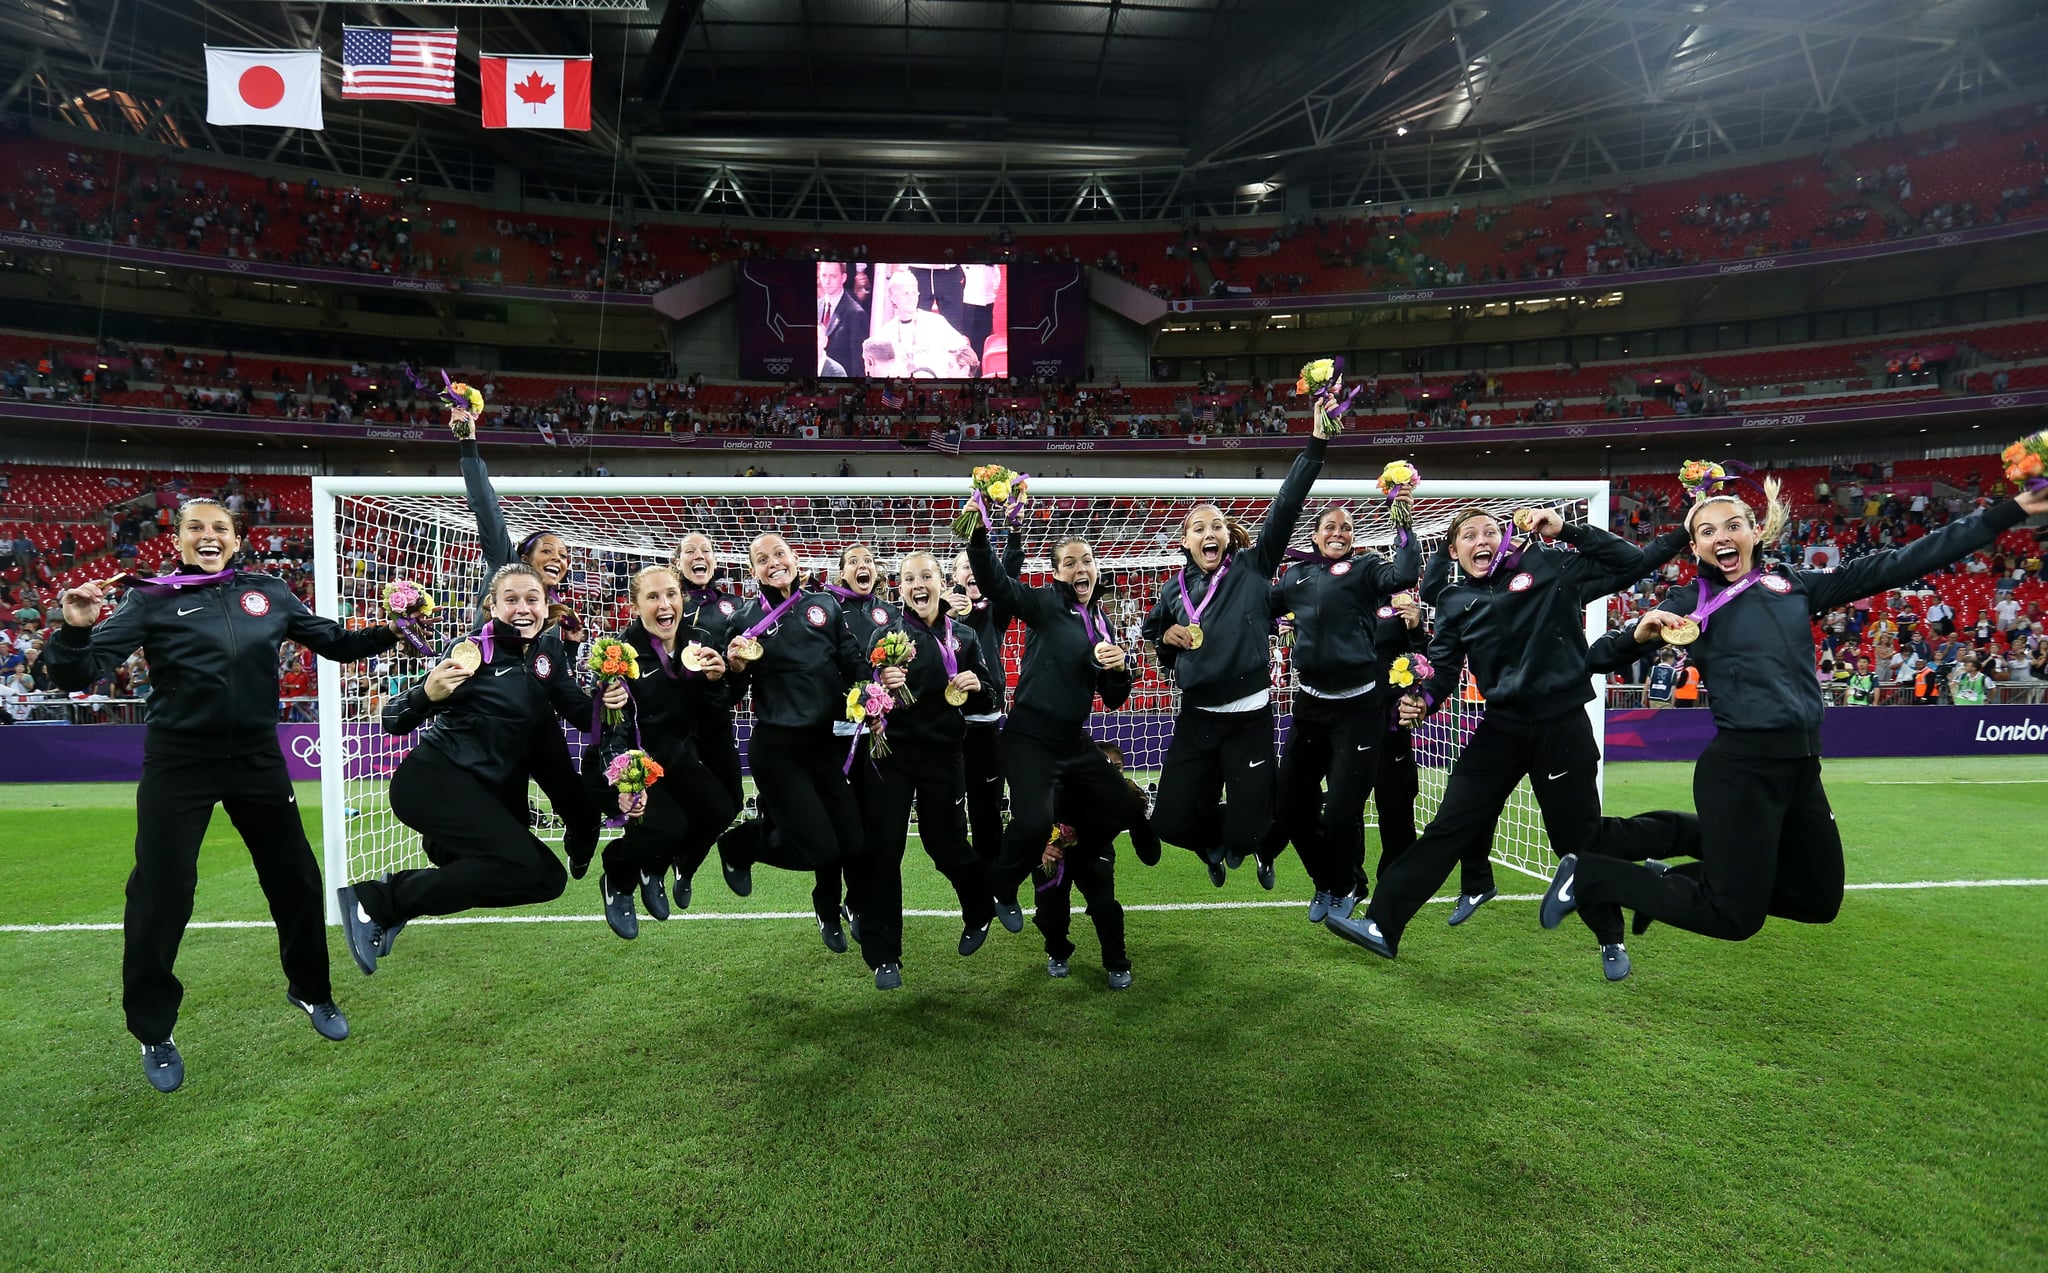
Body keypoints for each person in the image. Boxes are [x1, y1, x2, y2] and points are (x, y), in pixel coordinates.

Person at [1546, 480, 2048, 948]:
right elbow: (1599, 655)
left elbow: (1903, 561)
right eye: (1706, 531)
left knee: (1817, 900)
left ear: (1754, 531)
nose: (1721, 537)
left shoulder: (1795, 585)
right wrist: (1641, 633)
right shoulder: (1688, 603)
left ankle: (1668, 879)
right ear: (1695, 548)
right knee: (1735, 918)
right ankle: (1593, 874)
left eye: (1731, 525)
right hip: (1742, 770)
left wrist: (2013, 510)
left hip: (1803, 771)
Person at [46, 497, 402, 1092]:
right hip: (179, 762)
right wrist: (75, 630)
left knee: (296, 878)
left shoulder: (269, 592)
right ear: (179, 539)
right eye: (195, 528)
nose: (208, 536)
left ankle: (312, 992)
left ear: (236, 539)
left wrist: (395, 628)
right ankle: (154, 1031)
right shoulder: (149, 598)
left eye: (219, 528)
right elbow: (76, 676)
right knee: (162, 892)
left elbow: (335, 643)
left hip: (257, 759)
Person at [1323, 504, 1669, 980]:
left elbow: (1631, 562)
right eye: (1469, 535)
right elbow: (1443, 669)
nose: (1481, 539)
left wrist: (1566, 528)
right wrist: (1422, 699)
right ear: (1453, 550)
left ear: (1504, 540)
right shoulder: (1453, 601)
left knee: (1575, 841)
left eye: (1490, 531)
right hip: (1501, 727)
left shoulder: (1547, 566)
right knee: (1448, 826)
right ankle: (1382, 924)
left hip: (1561, 724)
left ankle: (1610, 936)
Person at [338, 564, 619, 975]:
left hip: (484, 798)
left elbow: (580, 714)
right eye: (511, 599)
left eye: (531, 599)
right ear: (492, 605)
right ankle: (378, 901)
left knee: (545, 880)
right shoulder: (468, 651)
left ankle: (410, 892)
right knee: (527, 869)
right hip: (435, 782)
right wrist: (425, 693)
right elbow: (393, 720)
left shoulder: (549, 652)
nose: (522, 608)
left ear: (546, 606)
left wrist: (607, 699)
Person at [1141, 419, 1330, 887]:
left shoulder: (1252, 568)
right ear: (1185, 541)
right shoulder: (1171, 591)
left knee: (1249, 832)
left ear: (1227, 538)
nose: (1209, 532)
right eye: (1198, 527)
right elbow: (1154, 636)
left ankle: (1256, 845)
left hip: (1249, 720)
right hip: (1197, 720)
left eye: (1218, 525)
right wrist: (1166, 639)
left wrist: (1316, 443)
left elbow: (1286, 507)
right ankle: (1210, 843)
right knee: (1166, 823)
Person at [966, 520, 1138, 935]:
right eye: (1070, 563)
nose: (1082, 568)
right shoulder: (1044, 603)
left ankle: (1077, 845)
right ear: (1058, 573)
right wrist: (979, 534)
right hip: (1029, 735)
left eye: (1088, 560)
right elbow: (997, 584)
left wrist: (1120, 670)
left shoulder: (1101, 621)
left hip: (1072, 740)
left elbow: (1113, 698)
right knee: (1032, 823)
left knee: (1129, 806)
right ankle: (1001, 890)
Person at [454, 411, 599, 878]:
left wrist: (575, 651)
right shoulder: (502, 567)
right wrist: (469, 443)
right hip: (490, 720)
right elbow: (487, 509)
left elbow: (552, 675)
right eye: (548, 551)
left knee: (581, 811)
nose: (558, 558)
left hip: (537, 723)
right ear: (522, 557)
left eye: (564, 556)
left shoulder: (553, 615)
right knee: (507, 821)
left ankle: (579, 846)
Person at [1267, 499, 1419, 919]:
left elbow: (1404, 573)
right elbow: (1258, 610)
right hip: (1310, 706)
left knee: (1339, 813)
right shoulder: (1294, 577)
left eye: (1347, 528)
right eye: (1330, 527)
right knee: (1290, 806)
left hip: (1359, 709)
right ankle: (1327, 881)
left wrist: (1402, 520)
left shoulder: (1367, 569)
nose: (1339, 533)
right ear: (1314, 535)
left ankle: (1349, 883)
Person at [714, 534, 869, 945]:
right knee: (821, 848)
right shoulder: (743, 621)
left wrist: (873, 690)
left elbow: (852, 661)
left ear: (796, 559)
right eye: (762, 559)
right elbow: (728, 696)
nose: (773, 563)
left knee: (852, 842)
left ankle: (828, 904)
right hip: (778, 751)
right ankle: (739, 844)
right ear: (752, 572)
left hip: (827, 746)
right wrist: (731, 668)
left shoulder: (827, 606)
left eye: (779, 554)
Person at [854, 552, 997, 990]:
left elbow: (992, 699)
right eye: (910, 579)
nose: (919, 584)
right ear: (900, 589)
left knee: (946, 846)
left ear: (941, 583)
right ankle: (884, 956)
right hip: (890, 757)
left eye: (927, 576)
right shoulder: (885, 635)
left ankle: (979, 910)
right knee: (883, 852)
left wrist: (977, 687)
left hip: (943, 757)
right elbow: (861, 698)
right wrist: (878, 687)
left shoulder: (966, 636)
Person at [589, 564, 741, 940]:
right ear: (635, 605)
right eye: (652, 597)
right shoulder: (620, 656)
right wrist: (626, 780)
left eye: (670, 594)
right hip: (632, 761)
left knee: (721, 808)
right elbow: (613, 732)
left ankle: (656, 867)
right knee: (667, 826)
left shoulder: (699, 640)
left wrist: (718, 681)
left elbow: (712, 710)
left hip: (677, 756)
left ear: (682, 598)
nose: (664, 604)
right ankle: (617, 879)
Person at [811, 542, 900, 950]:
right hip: (831, 737)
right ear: (840, 572)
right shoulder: (826, 608)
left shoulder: (890, 613)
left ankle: (857, 903)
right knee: (834, 830)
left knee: (868, 832)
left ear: (877, 573)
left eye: (868, 562)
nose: (861, 567)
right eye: (852, 562)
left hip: (877, 737)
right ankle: (827, 907)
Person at [1037, 742, 1155, 989]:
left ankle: (1117, 964)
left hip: (1095, 854)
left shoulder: (1126, 798)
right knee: (1050, 910)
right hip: (1054, 851)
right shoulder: (1059, 788)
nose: (1111, 772)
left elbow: (1150, 853)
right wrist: (1043, 846)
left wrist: (1141, 821)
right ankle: (1058, 952)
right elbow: (1029, 822)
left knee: (1104, 907)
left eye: (1117, 767)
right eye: (1105, 766)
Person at [949, 536, 1026, 868]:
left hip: (985, 727)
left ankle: (993, 884)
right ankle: (966, 880)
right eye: (966, 565)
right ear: (953, 577)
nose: (973, 570)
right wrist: (946, 613)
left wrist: (1014, 533)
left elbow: (1006, 572)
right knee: (948, 818)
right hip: (946, 730)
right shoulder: (935, 613)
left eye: (977, 565)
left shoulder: (995, 612)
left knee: (987, 814)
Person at [862, 268, 972, 378]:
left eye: (914, 292)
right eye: (906, 293)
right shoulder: (885, 335)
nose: (911, 297)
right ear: (892, 297)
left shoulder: (936, 323)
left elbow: (965, 351)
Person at [816, 261, 867, 378]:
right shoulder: (816, 306)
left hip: (841, 383)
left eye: (832, 276)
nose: (827, 281)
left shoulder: (855, 314)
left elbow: (857, 363)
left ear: (843, 278)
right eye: (824, 275)